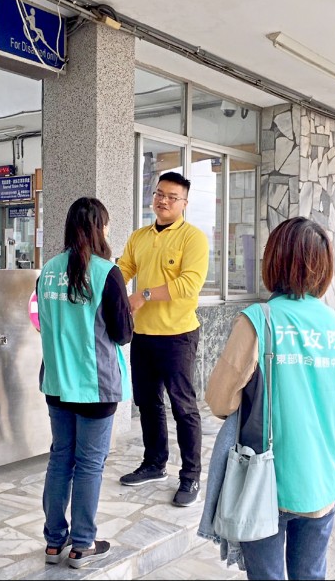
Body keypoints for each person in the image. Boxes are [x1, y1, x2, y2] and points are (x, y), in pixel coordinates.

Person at [205, 217, 335, 580]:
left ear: (274, 261)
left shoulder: (259, 320)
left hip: (265, 483)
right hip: (320, 478)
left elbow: (220, 401)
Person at [37, 197, 133, 569]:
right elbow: (123, 334)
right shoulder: (106, 272)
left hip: (57, 383)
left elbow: (42, 320)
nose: (107, 231)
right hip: (94, 386)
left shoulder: (47, 271)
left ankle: (53, 542)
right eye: (105, 225)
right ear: (97, 228)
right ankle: (82, 545)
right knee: (90, 465)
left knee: (61, 459)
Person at [117, 171, 209, 507]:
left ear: (184, 203)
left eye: (172, 196)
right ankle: (154, 464)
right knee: (148, 403)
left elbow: (189, 285)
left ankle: (191, 477)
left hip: (178, 336)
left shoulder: (193, 238)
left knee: (183, 408)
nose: (163, 201)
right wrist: (102, 286)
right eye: (159, 194)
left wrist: (142, 294)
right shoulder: (140, 236)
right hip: (143, 335)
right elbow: (122, 269)